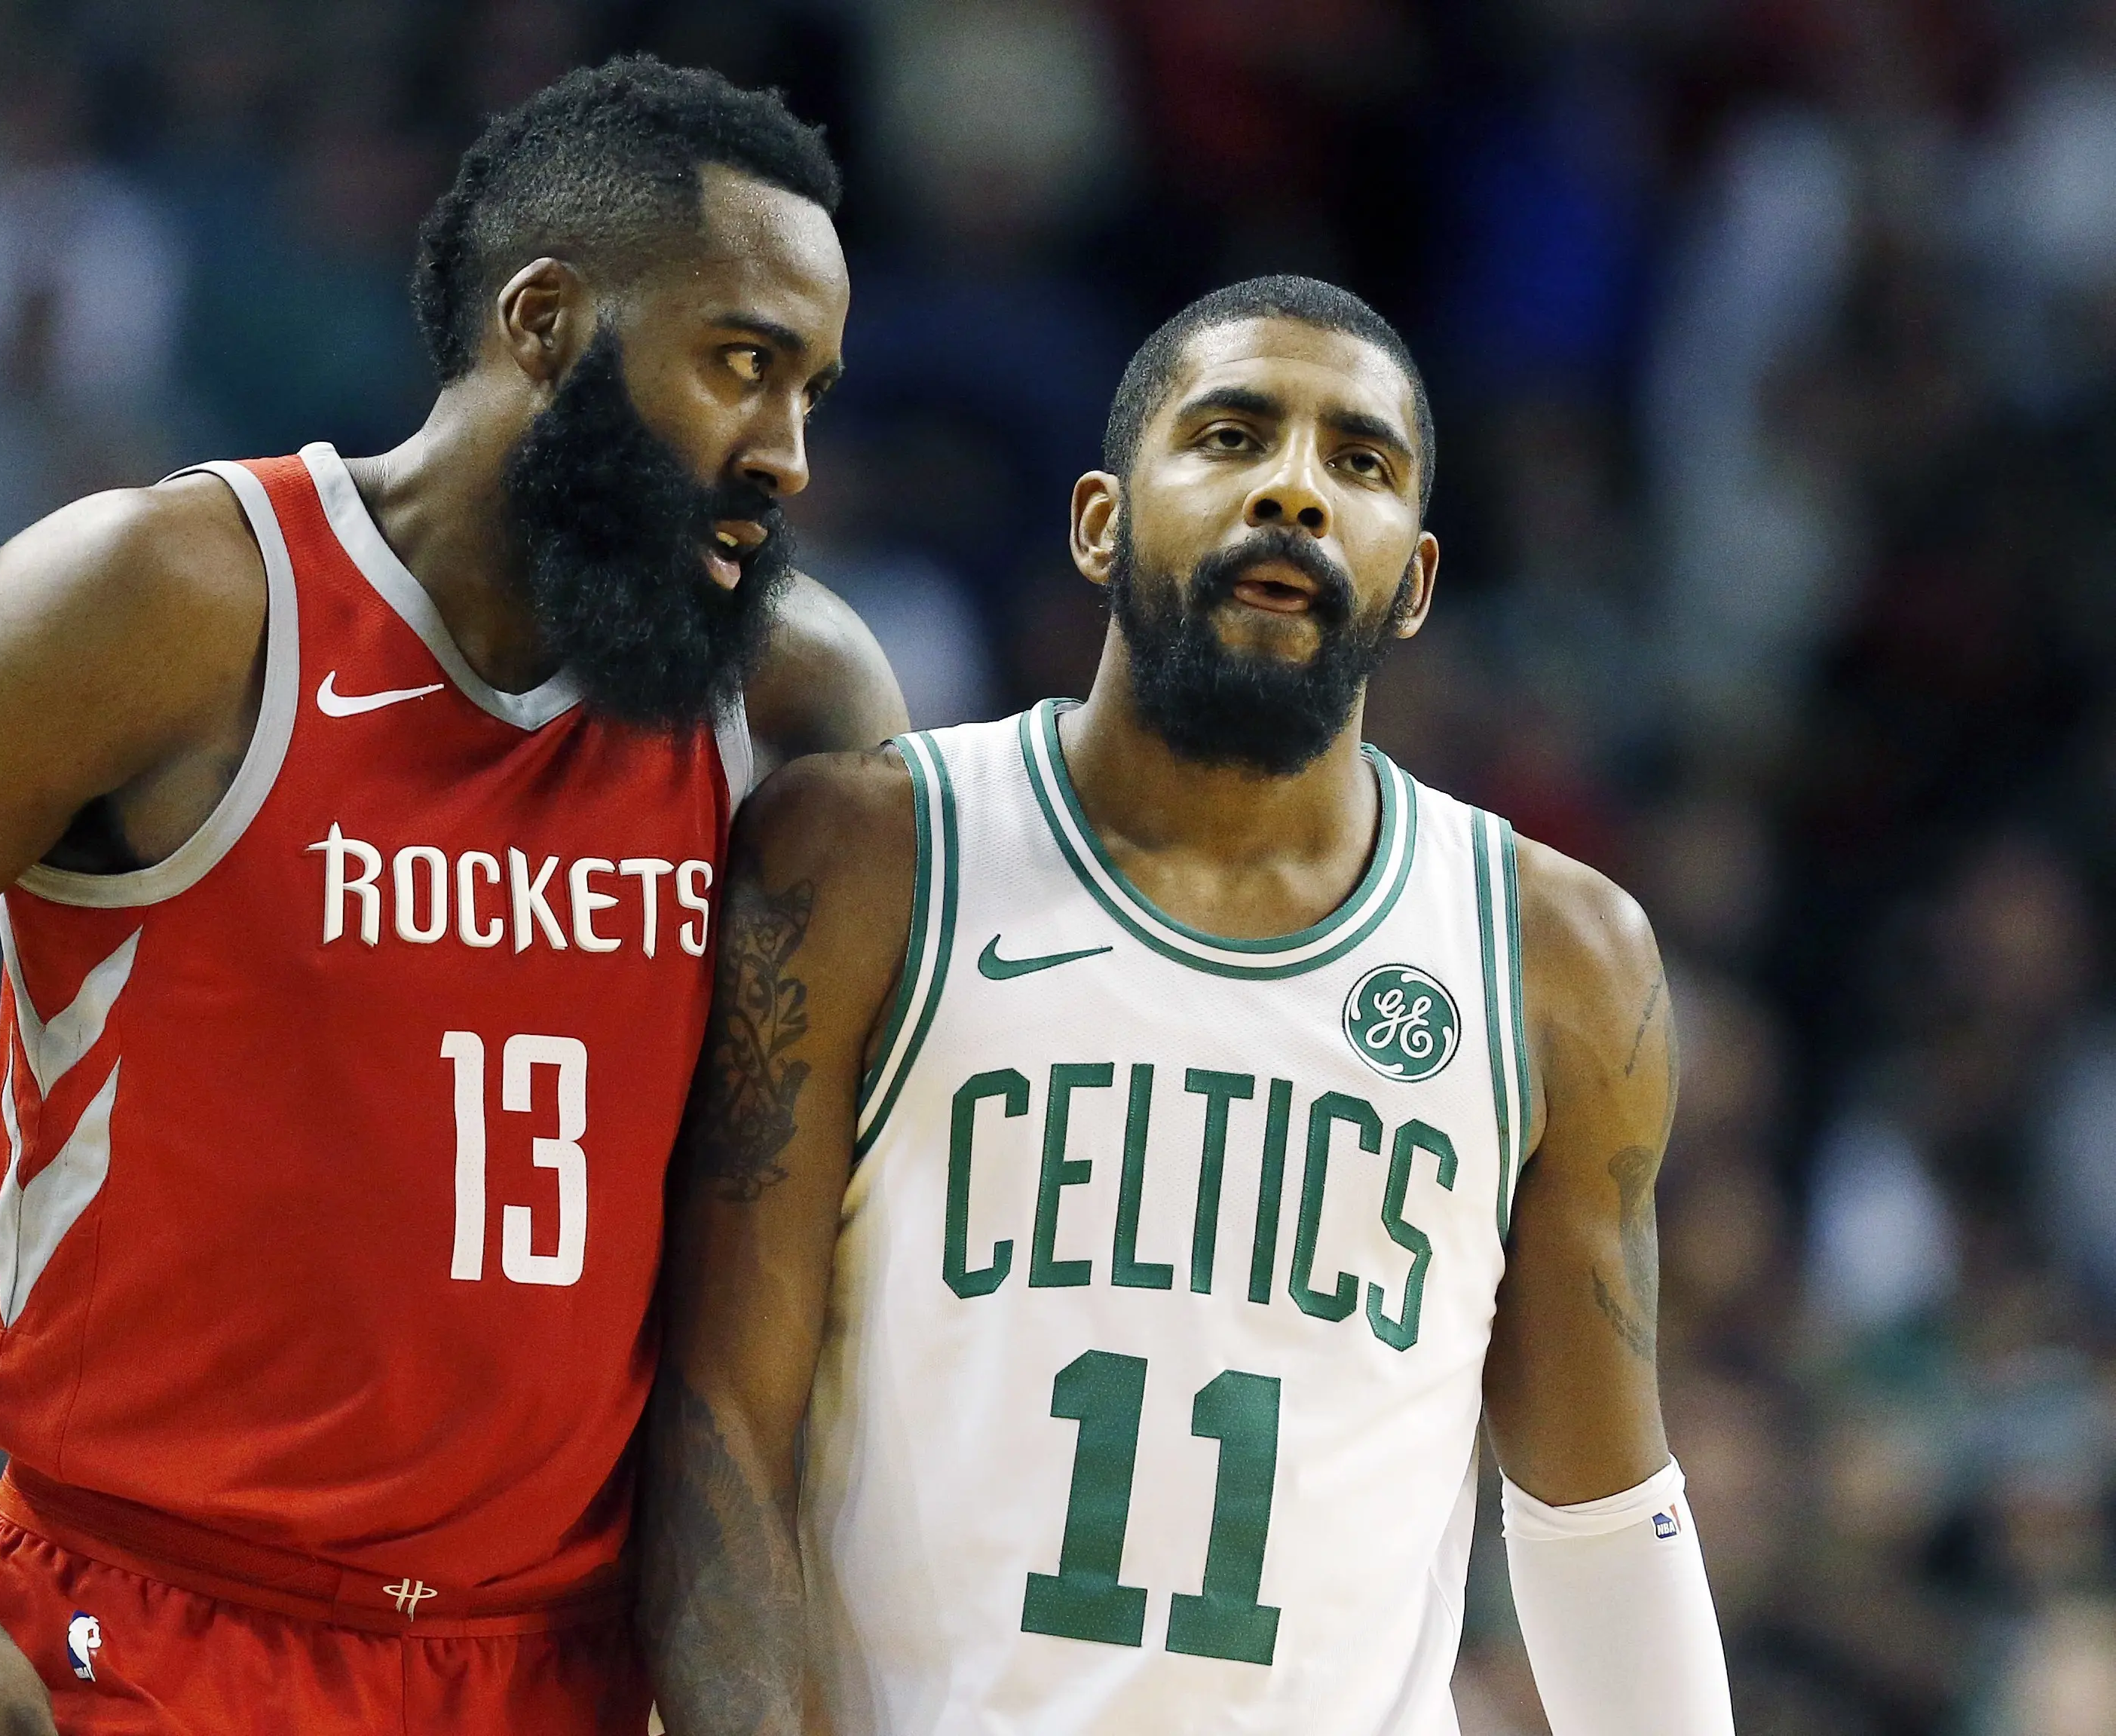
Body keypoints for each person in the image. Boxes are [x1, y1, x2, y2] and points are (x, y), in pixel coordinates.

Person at [0, 57, 904, 1736]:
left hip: (557, 1666)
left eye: (812, 389)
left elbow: (802, 1270)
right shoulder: (165, 604)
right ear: (544, 323)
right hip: (146, 1634)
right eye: (745, 365)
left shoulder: (794, 704)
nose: (790, 454)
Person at [638, 277, 1733, 1736]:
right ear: (1098, 519)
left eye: (1360, 463)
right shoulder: (866, 858)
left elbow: (1596, 1520)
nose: (1292, 490)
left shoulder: (1556, 956)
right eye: (1230, 435)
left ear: (1411, 579)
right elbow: (718, 1429)